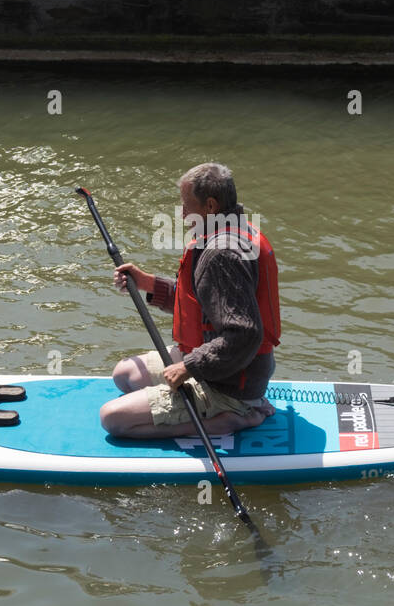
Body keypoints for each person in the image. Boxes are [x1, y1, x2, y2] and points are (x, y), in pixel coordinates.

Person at [99, 162, 280, 438]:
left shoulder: (223, 254)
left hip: (230, 384)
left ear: (210, 206)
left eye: (186, 205)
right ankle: (235, 406)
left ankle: (229, 419)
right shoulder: (232, 231)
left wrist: (188, 367)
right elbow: (201, 307)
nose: (182, 213)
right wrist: (147, 283)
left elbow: (245, 335)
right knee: (124, 374)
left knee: (113, 419)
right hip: (222, 364)